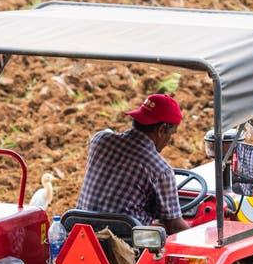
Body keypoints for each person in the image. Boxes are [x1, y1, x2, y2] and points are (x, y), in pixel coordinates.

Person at [77, 93, 189, 235]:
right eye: (171, 134)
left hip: (82, 234)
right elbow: (174, 226)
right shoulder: (160, 169)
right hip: (125, 247)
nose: (169, 141)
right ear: (161, 130)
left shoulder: (99, 140)